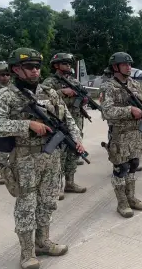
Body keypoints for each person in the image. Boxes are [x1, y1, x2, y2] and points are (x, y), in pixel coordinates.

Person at [0, 48, 85, 269]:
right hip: (24, 160)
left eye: (37, 66)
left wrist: (77, 138)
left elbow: (67, 118)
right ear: (16, 69)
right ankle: (27, 253)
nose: (35, 71)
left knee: (48, 202)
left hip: (51, 157)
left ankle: (42, 242)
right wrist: (27, 125)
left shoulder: (48, 92)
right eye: (29, 67)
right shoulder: (7, 96)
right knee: (26, 206)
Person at [100, 52, 142, 218]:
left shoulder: (135, 84)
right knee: (121, 169)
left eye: (130, 64)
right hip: (120, 135)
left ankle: (131, 198)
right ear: (115, 67)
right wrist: (129, 110)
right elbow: (107, 111)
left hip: (136, 133)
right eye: (125, 64)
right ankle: (122, 203)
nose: (129, 67)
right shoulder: (108, 86)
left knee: (134, 165)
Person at [42, 53, 87, 200]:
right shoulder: (50, 82)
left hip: (75, 121)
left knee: (74, 152)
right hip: (59, 123)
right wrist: (62, 92)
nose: (69, 66)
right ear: (56, 65)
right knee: (59, 154)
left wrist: (83, 99)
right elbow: (42, 99)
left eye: (69, 63)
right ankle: (58, 186)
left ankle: (70, 182)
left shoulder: (75, 82)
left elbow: (83, 100)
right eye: (65, 63)